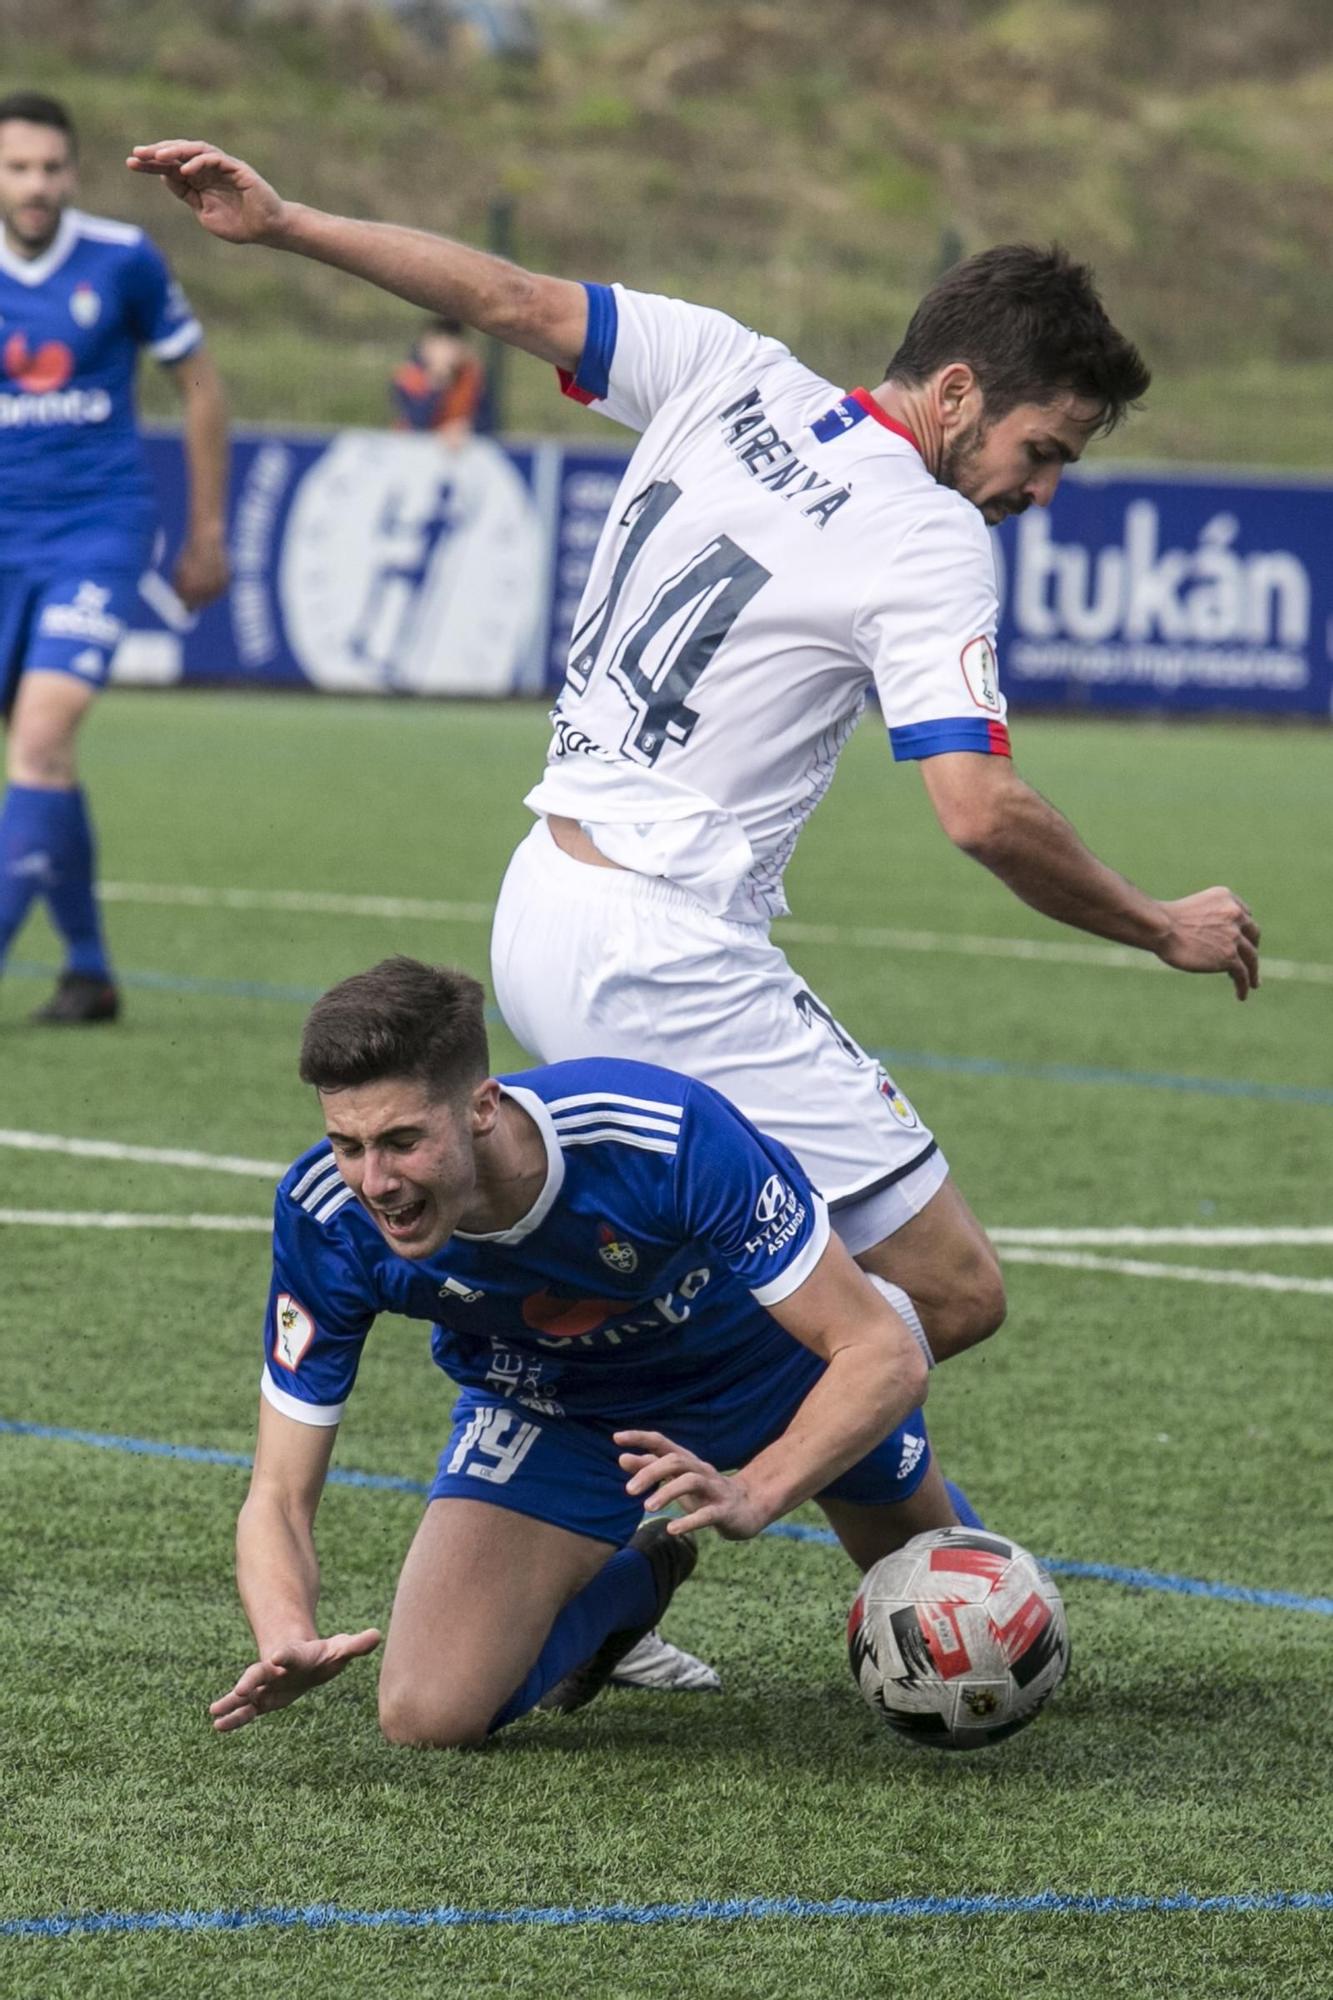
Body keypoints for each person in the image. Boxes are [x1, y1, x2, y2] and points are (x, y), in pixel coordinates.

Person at [126, 140, 1259, 1378]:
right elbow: (980, 811)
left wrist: (288, 222)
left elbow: (503, 297)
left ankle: (650, 1451)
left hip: (543, 898)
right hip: (666, 952)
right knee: (945, 1288)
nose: (1037, 491)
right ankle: (622, 1464)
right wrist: (1156, 924)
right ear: (954, 390)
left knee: (744, 1263)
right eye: (1042, 451)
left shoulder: (730, 367)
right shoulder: (929, 534)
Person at [209, 955, 997, 1746]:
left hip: (773, 1377)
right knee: (427, 1715)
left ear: (481, 1107)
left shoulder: (662, 1132)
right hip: (561, 1408)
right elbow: (278, 1492)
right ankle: (634, 1582)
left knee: (973, 1633)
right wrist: (285, 1635)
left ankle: (900, 1507)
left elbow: (880, 1352)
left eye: (402, 1141)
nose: (373, 1181)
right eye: (347, 1144)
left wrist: (757, 1489)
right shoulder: (324, 1218)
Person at [0, 98, 229, 1024]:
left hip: (97, 531)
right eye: (18, 169)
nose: (36, 186)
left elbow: (200, 384)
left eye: (51, 168)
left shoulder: (122, 259)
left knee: (43, 735)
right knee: (43, 765)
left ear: (73, 172)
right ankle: (89, 971)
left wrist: (207, 533)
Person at [391, 314, 492, 440]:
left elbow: (488, 422)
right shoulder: (409, 378)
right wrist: (436, 386)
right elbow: (417, 422)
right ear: (424, 347)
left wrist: (466, 428)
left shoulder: (473, 379)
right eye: (438, 344)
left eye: (450, 344)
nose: (444, 352)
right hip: (413, 448)